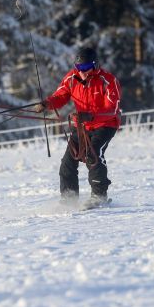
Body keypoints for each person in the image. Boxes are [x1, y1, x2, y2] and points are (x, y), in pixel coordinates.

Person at [35, 47, 122, 206]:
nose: (82, 71)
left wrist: (92, 115)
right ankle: (69, 199)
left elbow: (113, 109)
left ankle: (99, 196)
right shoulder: (71, 78)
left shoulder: (108, 80)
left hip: (105, 124)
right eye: (79, 68)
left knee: (93, 154)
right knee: (68, 162)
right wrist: (46, 103)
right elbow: (60, 96)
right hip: (82, 126)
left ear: (95, 65)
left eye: (86, 68)